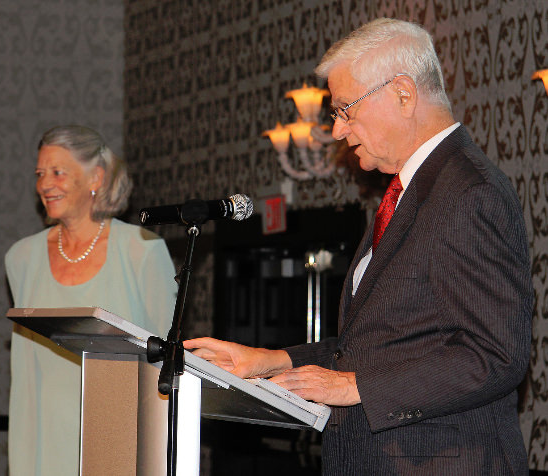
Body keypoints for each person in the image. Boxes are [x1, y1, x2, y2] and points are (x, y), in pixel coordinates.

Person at [185, 18, 532, 474]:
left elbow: (497, 355)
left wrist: (357, 388)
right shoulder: (406, 194)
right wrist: (268, 361)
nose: (337, 131)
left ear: (404, 94)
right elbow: (375, 348)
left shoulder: (469, 191)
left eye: (346, 109)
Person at [5, 125, 177, 475]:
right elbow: (24, 373)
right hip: (44, 447)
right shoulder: (21, 258)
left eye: (58, 172)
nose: (45, 184)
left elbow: (167, 366)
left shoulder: (141, 251)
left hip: (120, 444)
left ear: (96, 177)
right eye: (40, 173)